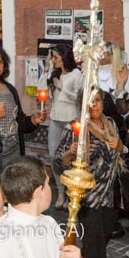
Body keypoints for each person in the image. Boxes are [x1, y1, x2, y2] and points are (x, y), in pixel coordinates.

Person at [53, 92, 124, 258]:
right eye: (89, 102)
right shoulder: (74, 128)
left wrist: (118, 145)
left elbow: (121, 152)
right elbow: (57, 162)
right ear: (82, 105)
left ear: (103, 103)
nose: (94, 106)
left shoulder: (110, 125)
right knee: (95, 246)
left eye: (97, 101)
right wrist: (70, 153)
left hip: (108, 196)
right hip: (86, 198)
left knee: (101, 239)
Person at [0, 156, 82, 258]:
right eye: (47, 183)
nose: (49, 188)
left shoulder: (49, 222)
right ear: (39, 192)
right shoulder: (3, 239)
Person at [37, 43, 82, 209]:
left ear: (64, 57)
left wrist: (62, 88)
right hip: (56, 118)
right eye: (53, 57)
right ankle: (61, 193)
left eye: (55, 57)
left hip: (71, 120)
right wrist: (47, 69)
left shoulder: (76, 74)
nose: (54, 60)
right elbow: (41, 90)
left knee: (71, 157)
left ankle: (72, 194)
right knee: (54, 155)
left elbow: (78, 97)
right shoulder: (55, 73)